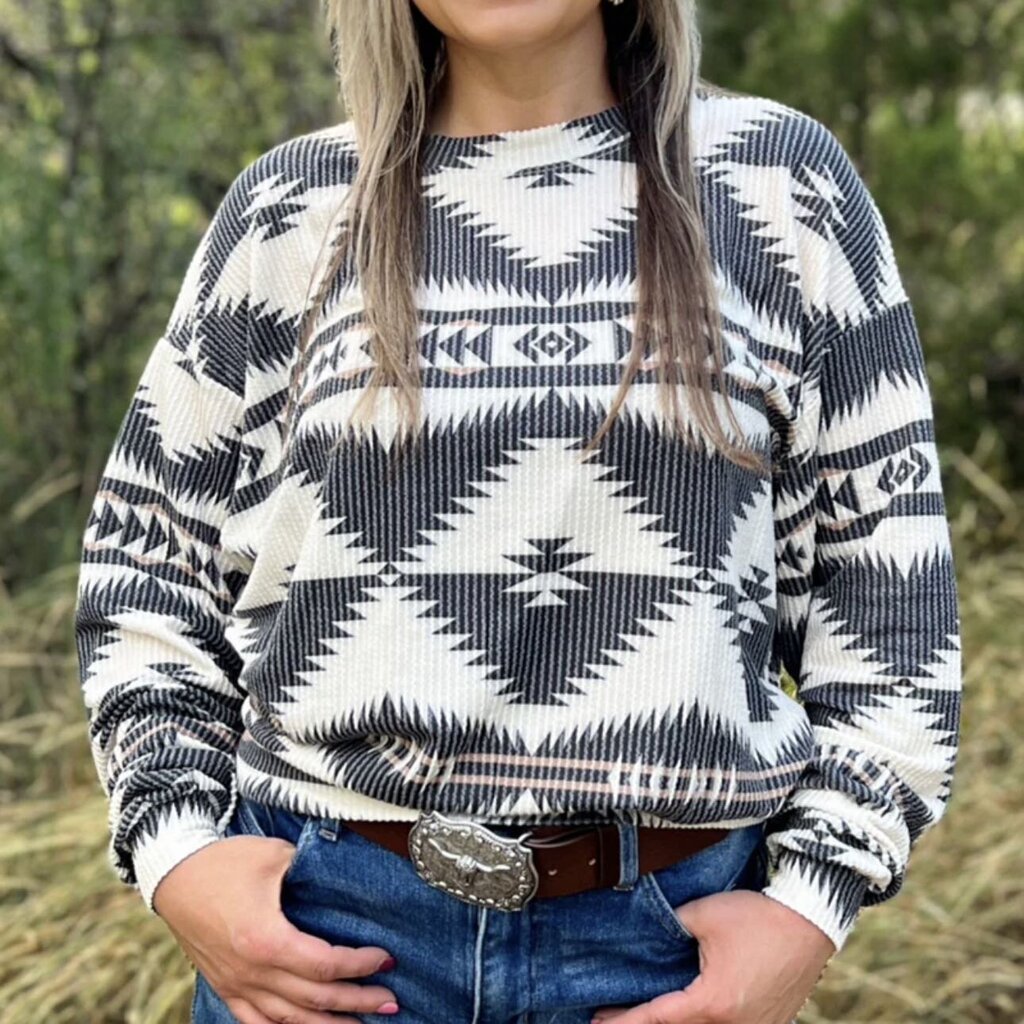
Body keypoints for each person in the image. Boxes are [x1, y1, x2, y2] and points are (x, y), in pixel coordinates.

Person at [72, 1, 963, 1022]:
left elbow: (891, 594)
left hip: (664, 953)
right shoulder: (291, 208)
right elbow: (148, 563)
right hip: (324, 942)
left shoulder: (780, 185)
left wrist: (811, 905)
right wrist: (178, 852)